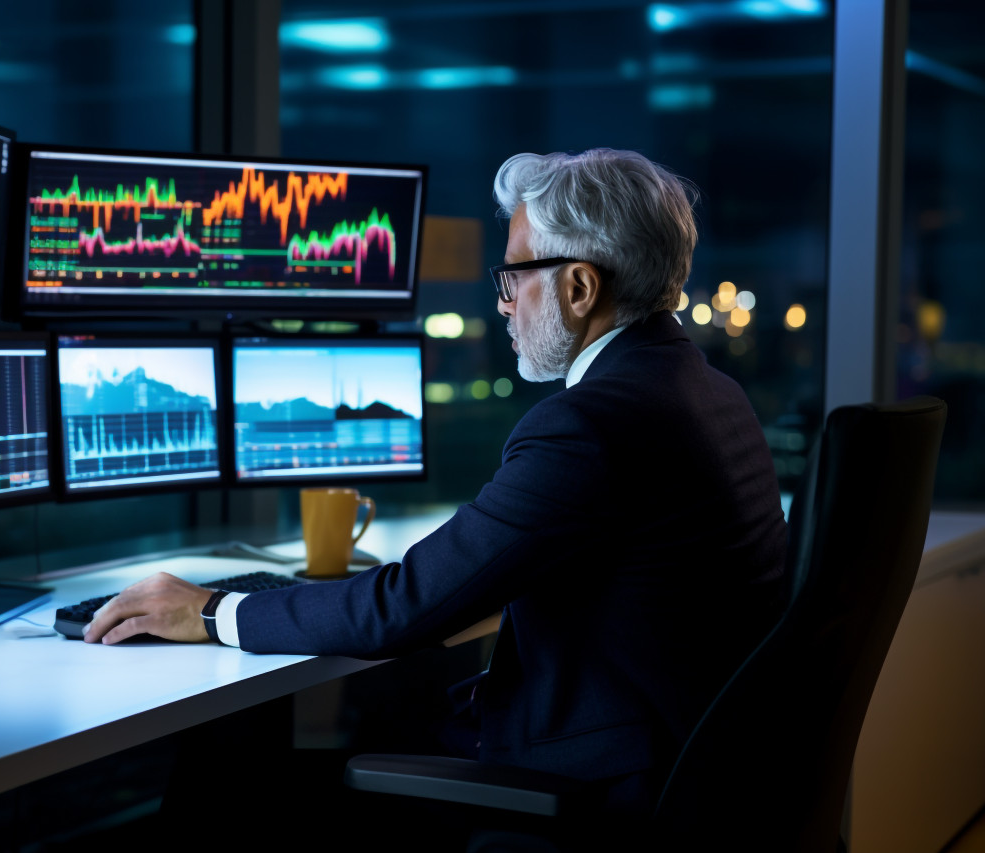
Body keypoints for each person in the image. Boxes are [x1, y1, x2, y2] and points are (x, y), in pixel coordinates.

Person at [83, 148, 788, 844]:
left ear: (579, 288)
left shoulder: (593, 423)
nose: (503, 302)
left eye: (513, 276)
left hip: (596, 797)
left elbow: (403, 606)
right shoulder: (711, 393)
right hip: (697, 778)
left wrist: (211, 609)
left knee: (222, 787)